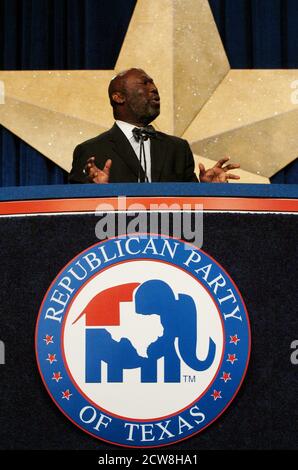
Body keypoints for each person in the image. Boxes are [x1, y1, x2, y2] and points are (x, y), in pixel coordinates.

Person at [68, 68, 240, 184]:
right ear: (118, 97)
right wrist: (95, 192)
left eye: (153, 83)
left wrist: (207, 190)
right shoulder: (91, 150)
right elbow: (72, 214)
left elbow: (191, 207)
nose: (154, 88)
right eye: (145, 83)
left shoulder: (177, 148)